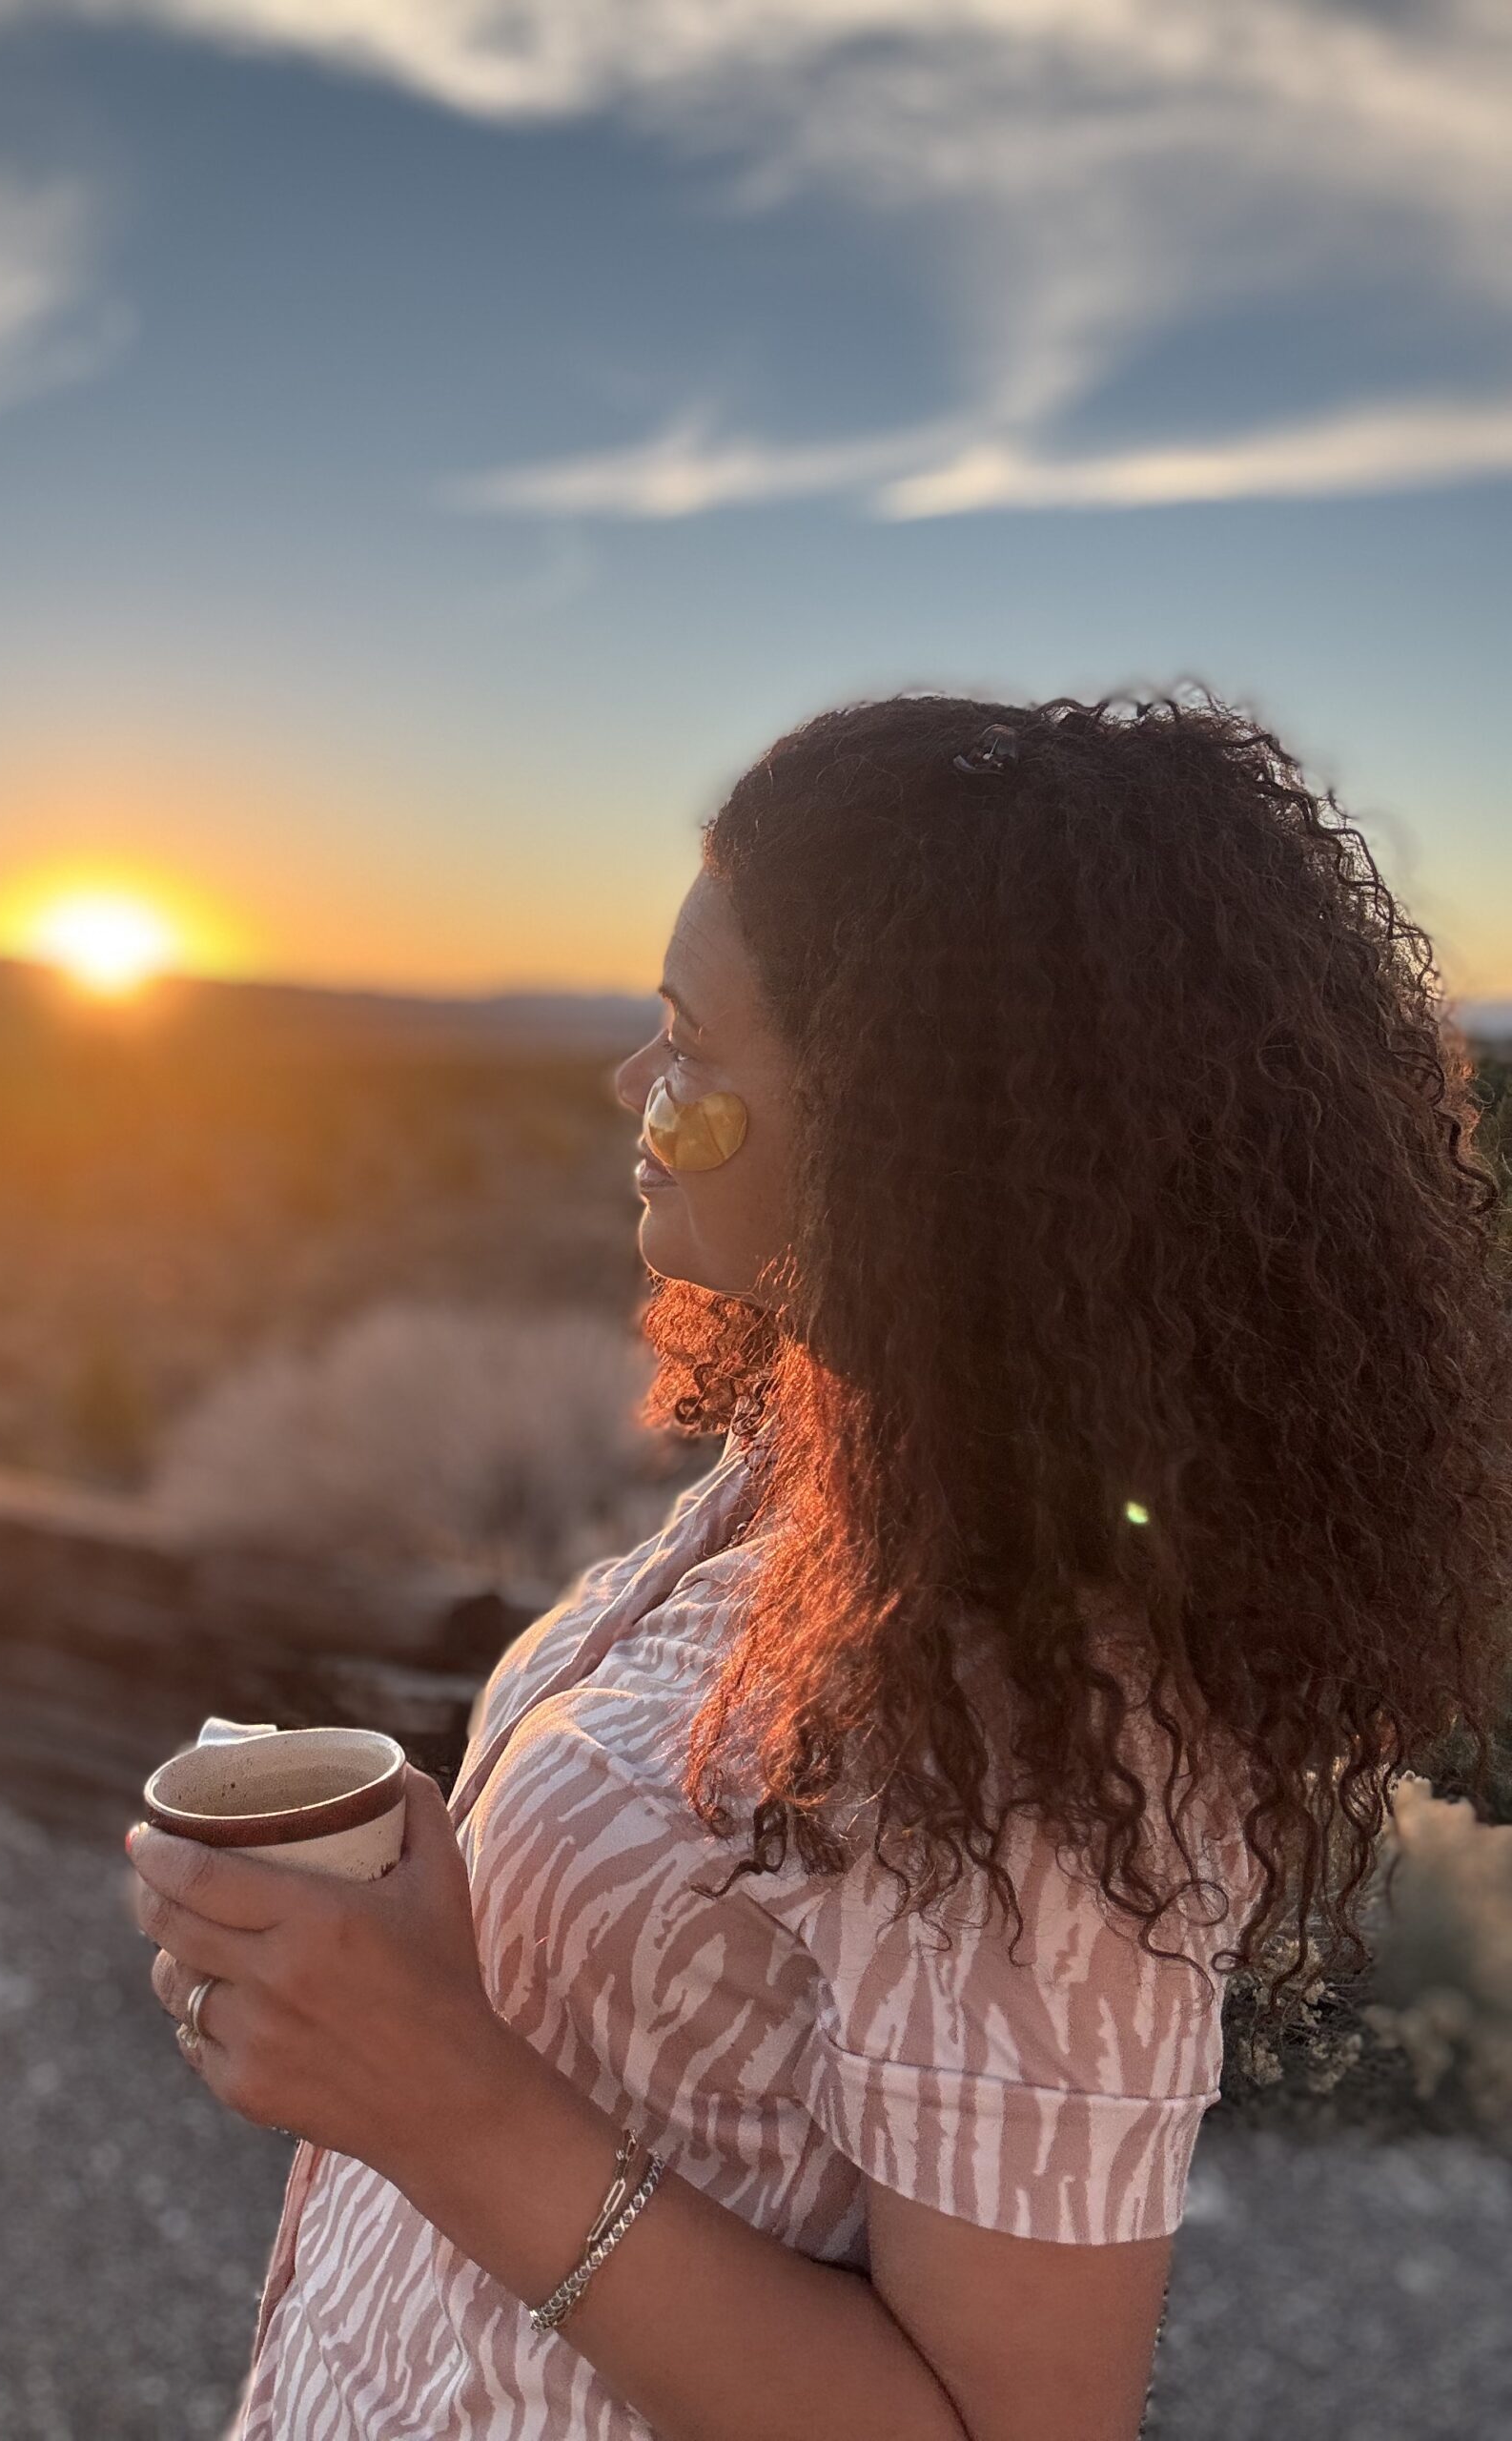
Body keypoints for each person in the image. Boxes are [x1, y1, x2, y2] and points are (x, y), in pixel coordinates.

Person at [128, 690, 1512, 2441]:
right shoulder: (833, 1465)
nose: (636, 1084)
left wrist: (442, 2099)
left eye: (696, 1046)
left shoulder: (1049, 1727)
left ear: (918, 1145)